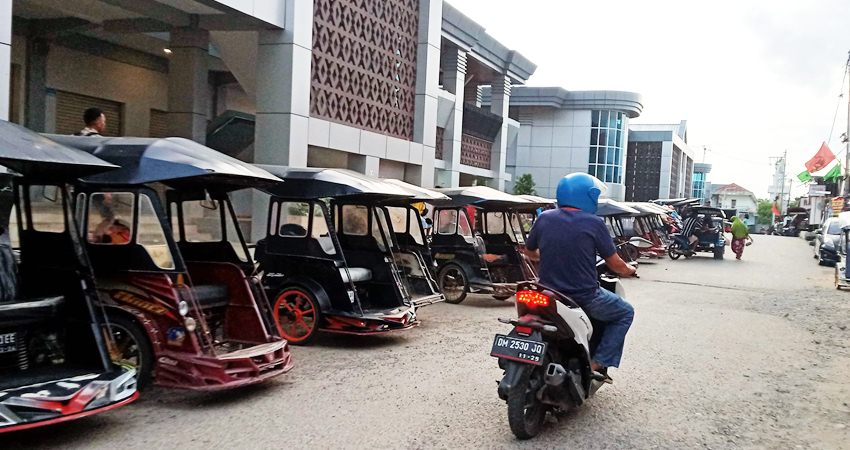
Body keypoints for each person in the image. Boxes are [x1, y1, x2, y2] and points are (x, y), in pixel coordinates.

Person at [524, 173, 636, 379]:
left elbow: (530, 253)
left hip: (548, 293)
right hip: (584, 296)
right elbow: (615, 264)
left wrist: (547, 254)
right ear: (588, 196)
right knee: (625, 312)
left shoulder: (544, 218)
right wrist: (630, 269)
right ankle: (597, 363)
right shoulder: (594, 223)